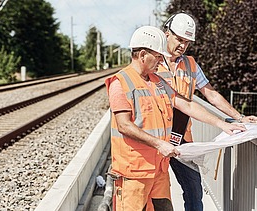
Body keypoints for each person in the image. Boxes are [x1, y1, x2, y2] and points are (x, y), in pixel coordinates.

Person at [105, 25, 246, 211]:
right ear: (142, 56)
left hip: (158, 172)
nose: (161, 61)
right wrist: (159, 144)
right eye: (157, 57)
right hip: (134, 175)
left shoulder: (158, 82)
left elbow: (186, 104)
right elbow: (124, 125)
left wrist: (222, 124)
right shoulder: (120, 83)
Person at [157, 12, 257, 211]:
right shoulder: (152, 61)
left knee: (194, 189)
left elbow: (211, 95)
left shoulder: (190, 65)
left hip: (181, 141)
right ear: (166, 33)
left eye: (187, 42)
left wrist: (239, 117)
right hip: (155, 140)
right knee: (158, 197)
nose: (182, 46)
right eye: (179, 39)